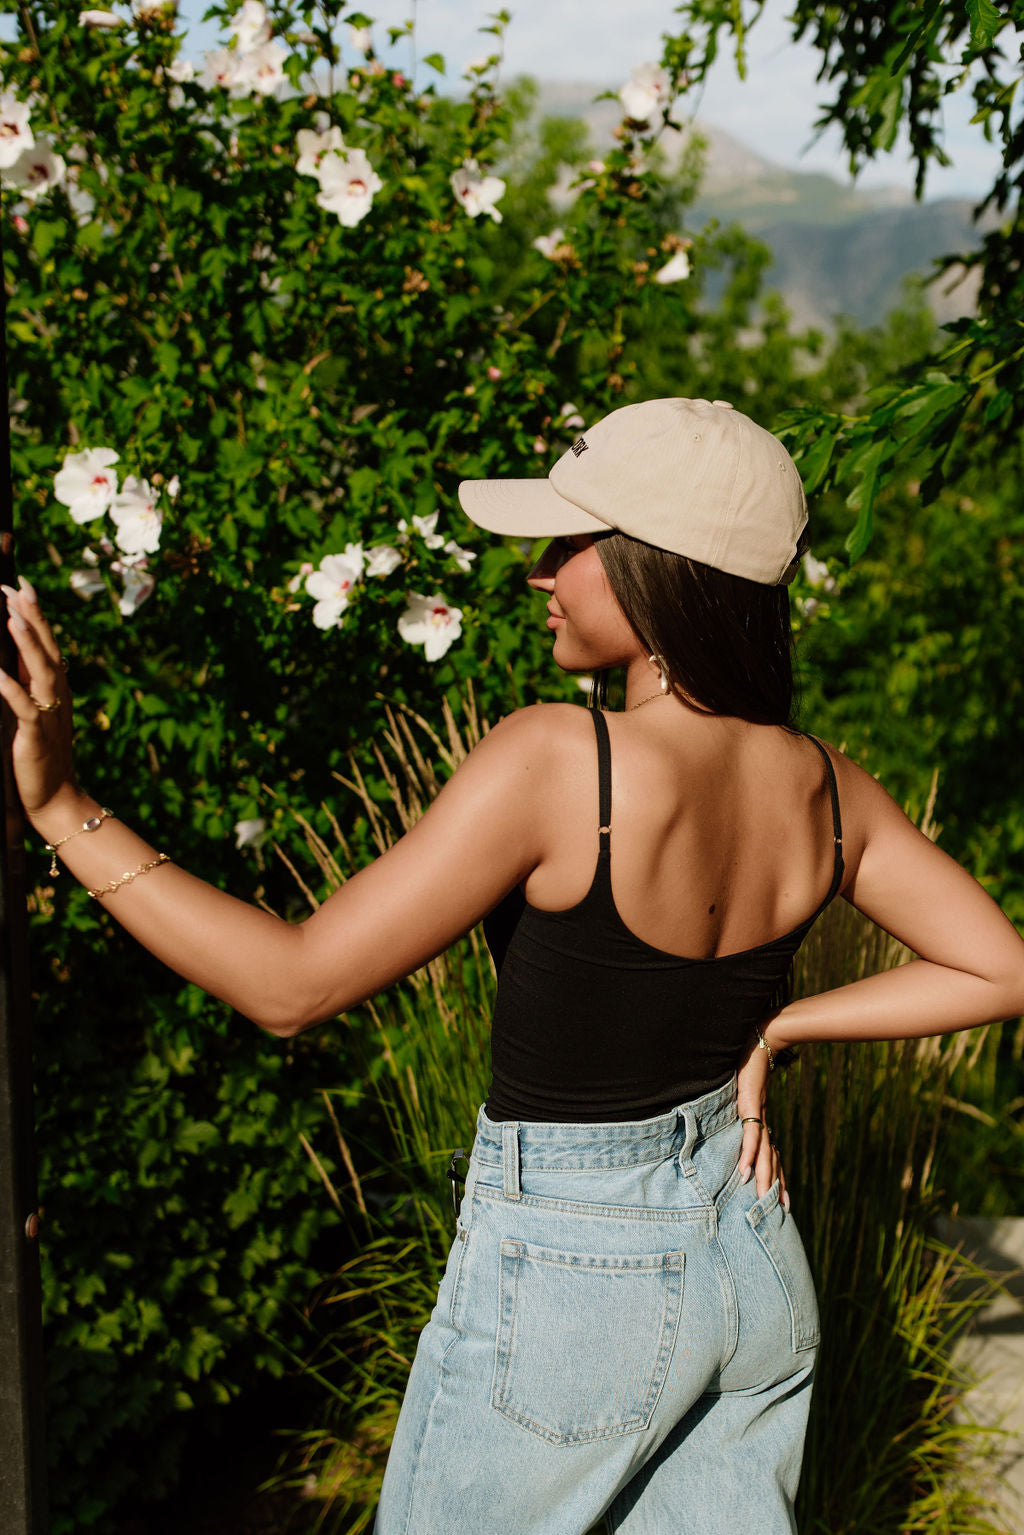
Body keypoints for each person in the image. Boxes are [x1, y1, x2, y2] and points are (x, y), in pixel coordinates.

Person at [2, 397, 1022, 1535]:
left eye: (568, 545)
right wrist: (779, 1031)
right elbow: (998, 966)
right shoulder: (826, 784)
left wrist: (63, 807)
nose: (538, 573)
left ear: (655, 570)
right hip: (752, 1260)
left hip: (575, 1281)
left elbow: (290, 986)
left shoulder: (556, 757)